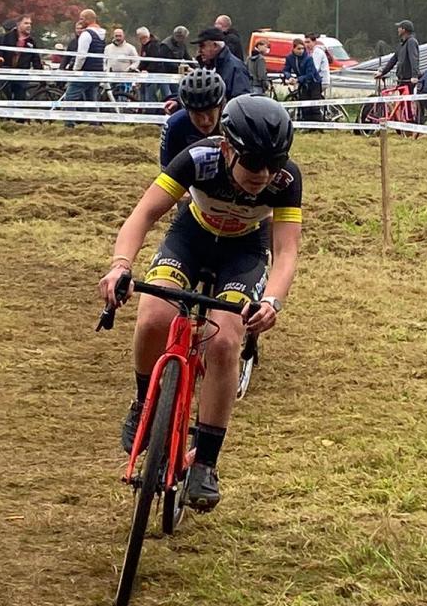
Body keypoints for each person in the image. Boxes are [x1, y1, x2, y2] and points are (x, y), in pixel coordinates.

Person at [99, 96, 301, 510]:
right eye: (253, 163)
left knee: (224, 341)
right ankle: (143, 403)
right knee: (154, 315)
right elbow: (143, 215)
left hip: (244, 253)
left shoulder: (285, 180)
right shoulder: (198, 159)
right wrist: (121, 265)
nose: (263, 175)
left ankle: (206, 461)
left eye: (273, 163)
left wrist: (273, 301)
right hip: (190, 239)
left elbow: (286, 251)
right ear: (227, 148)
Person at [159, 67, 226, 171]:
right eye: (197, 114)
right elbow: (166, 174)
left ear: (221, 107)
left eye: (210, 112)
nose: (205, 120)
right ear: (187, 110)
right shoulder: (175, 126)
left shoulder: (233, 124)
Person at [63, 7, 106, 126]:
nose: (80, 21)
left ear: (88, 19)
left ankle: (69, 125)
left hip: (85, 72)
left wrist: (76, 70)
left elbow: (81, 55)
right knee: (91, 100)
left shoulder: (86, 34)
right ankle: (94, 125)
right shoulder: (102, 35)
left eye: (82, 19)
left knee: (70, 98)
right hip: (97, 71)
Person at [193, 26, 251, 101]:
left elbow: (241, 101)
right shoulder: (209, 66)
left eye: (202, 46)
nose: (199, 51)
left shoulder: (236, 68)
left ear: (215, 46)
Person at [0, 14, 41, 102]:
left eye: (30, 23)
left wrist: (42, 75)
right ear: (18, 24)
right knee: (5, 98)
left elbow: (36, 60)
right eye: (26, 23)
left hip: (22, 74)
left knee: (20, 98)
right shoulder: (5, 37)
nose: (29, 25)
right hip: (6, 72)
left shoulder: (31, 42)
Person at [282, 38, 321, 121]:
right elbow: (285, 70)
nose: (301, 51)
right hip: (303, 84)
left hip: (314, 83)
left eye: (303, 48)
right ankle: (306, 124)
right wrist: (289, 77)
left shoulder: (309, 58)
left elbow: (310, 74)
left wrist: (297, 79)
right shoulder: (289, 58)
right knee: (305, 106)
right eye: (299, 49)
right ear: (293, 48)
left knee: (315, 107)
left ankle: (318, 125)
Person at [375, 19, 420, 88]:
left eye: (399, 28)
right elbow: (393, 60)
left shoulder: (411, 42)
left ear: (404, 30)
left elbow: (414, 59)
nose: (398, 30)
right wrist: (382, 72)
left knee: (409, 95)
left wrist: (414, 76)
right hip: (401, 80)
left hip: (409, 81)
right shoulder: (401, 44)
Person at [105, 26, 139, 98]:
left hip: (124, 78)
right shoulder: (108, 48)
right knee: (110, 97)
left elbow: (136, 61)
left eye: (120, 36)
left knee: (123, 97)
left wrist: (130, 68)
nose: (118, 38)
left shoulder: (130, 48)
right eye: (116, 36)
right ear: (113, 36)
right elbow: (104, 61)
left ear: (123, 36)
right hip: (111, 77)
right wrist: (105, 70)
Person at [136, 27, 167, 104]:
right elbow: (144, 60)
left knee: (150, 96)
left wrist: (148, 70)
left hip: (153, 74)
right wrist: (139, 69)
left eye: (142, 38)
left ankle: (152, 109)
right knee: (143, 94)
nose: (141, 40)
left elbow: (154, 60)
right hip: (145, 74)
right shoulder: (145, 46)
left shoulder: (154, 45)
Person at [159, 25, 192, 98]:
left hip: (175, 73)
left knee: (177, 94)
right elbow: (165, 62)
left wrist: (196, 67)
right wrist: (180, 68)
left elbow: (187, 57)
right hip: (164, 74)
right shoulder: (165, 45)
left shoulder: (182, 45)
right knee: (167, 95)